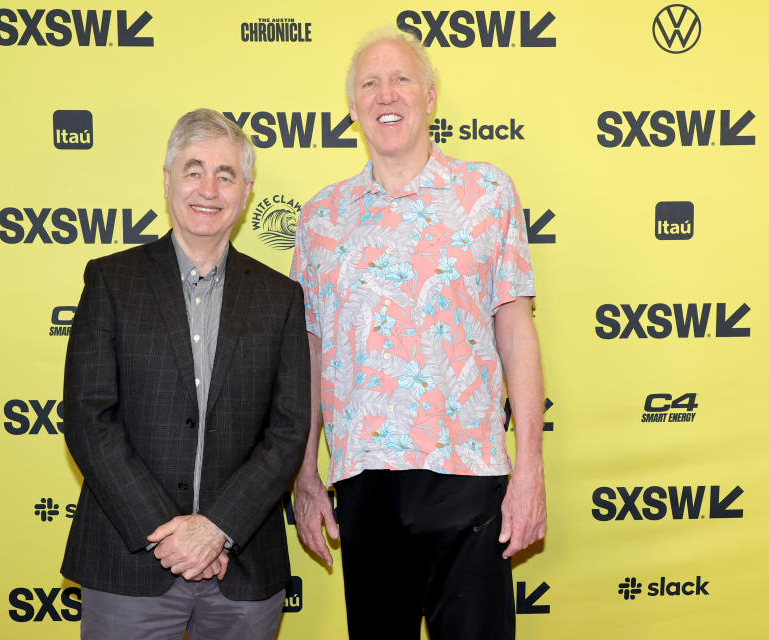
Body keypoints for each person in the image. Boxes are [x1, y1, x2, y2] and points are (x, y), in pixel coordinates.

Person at [290, 32, 546, 639]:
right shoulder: (321, 217)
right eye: (370, 84)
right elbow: (312, 352)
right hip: (363, 482)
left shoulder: (488, 193)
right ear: (352, 107)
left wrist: (530, 468)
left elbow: (516, 330)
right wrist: (304, 473)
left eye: (401, 79)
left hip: (468, 475)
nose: (387, 94)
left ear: (430, 96)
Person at [61, 108, 310, 640]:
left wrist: (216, 529)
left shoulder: (281, 298)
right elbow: (88, 417)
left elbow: (288, 430)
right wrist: (171, 537)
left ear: (245, 193)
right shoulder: (111, 280)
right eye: (194, 170)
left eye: (226, 175)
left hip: (243, 568)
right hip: (129, 562)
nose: (208, 188)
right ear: (168, 179)